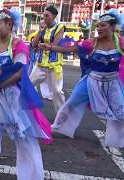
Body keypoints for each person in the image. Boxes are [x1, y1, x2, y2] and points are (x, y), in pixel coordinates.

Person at [0, 9, 52, 180]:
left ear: (9, 24)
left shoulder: (19, 46)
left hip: (12, 97)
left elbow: (19, 73)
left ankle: (32, 175)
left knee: (22, 136)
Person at [39, 9, 124, 148]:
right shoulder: (92, 43)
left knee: (120, 112)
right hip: (92, 81)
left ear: (113, 27)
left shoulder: (120, 43)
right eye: (98, 25)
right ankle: (57, 127)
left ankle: (117, 139)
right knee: (71, 103)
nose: (99, 28)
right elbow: (71, 50)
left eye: (103, 25)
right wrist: (50, 47)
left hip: (112, 82)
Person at [30, 6, 65, 112]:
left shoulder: (60, 27)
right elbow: (33, 44)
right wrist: (40, 31)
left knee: (57, 91)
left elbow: (54, 45)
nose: (44, 17)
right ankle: (27, 110)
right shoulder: (42, 27)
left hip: (54, 65)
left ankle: (62, 118)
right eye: (44, 15)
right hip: (40, 64)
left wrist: (45, 45)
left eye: (47, 15)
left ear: (54, 16)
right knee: (28, 85)